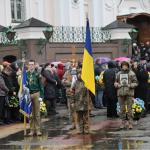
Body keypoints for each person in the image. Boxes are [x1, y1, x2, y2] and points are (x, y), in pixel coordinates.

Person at [114, 60, 138, 129]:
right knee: (122, 109)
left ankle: (130, 122)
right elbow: (115, 82)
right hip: (120, 93)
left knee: (130, 108)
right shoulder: (118, 74)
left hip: (129, 93)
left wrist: (131, 85)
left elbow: (136, 83)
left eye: (125, 66)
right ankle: (123, 122)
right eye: (123, 66)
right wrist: (117, 85)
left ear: (128, 66)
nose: (124, 67)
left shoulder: (132, 74)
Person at [71, 69, 93, 134]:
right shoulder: (75, 83)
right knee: (79, 117)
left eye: (81, 73)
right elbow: (72, 93)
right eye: (78, 74)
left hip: (86, 102)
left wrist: (89, 89)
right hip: (78, 103)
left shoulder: (86, 82)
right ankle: (81, 129)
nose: (79, 75)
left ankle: (87, 129)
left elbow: (93, 92)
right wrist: (72, 102)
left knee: (86, 117)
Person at [27, 60, 44, 136]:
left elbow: (41, 86)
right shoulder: (26, 74)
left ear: (34, 66)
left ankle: (37, 129)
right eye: (30, 65)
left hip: (36, 93)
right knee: (30, 113)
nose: (31, 66)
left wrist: (41, 96)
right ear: (28, 65)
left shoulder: (38, 74)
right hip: (28, 94)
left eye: (32, 64)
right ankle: (32, 130)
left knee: (36, 113)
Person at [62, 65, 76, 130]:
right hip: (69, 93)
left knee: (80, 110)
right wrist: (71, 83)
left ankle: (82, 124)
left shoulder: (79, 72)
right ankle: (72, 123)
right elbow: (63, 81)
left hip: (79, 94)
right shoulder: (67, 72)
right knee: (71, 110)